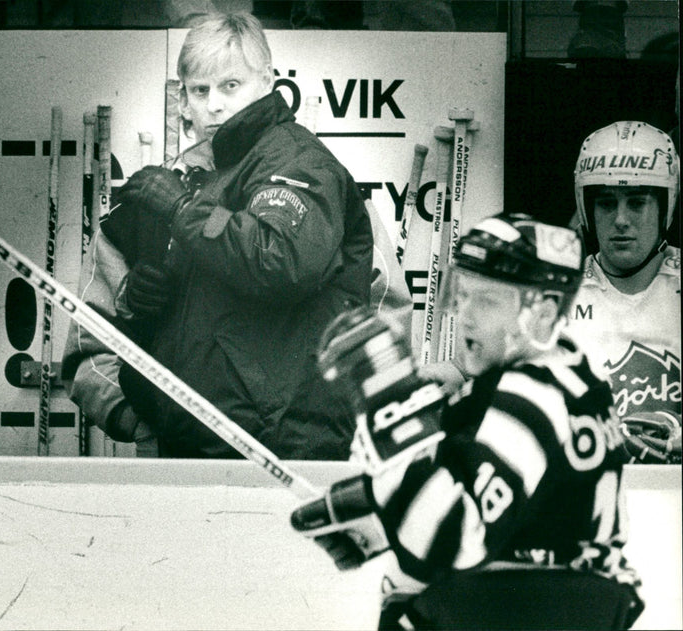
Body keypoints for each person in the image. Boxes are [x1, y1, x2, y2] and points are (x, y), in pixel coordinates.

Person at [291, 213, 644, 630]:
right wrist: (377, 512)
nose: (467, 315)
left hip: (534, 604)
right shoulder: (573, 374)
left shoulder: (533, 390)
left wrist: (392, 401)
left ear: (544, 314)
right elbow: (525, 504)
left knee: (406, 600)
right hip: (576, 600)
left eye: (488, 300)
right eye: (462, 295)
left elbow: (454, 540)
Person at [62, 12, 374, 459]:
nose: (215, 105)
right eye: (200, 90)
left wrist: (182, 210)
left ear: (267, 81)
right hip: (192, 452)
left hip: (286, 452)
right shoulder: (168, 187)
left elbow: (281, 261)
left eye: (232, 86)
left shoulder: (300, 162)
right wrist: (138, 320)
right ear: (182, 99)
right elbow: (92, 339)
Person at [567, 121, 681, 464]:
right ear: (587, 210)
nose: (620, 220)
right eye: (605, 203)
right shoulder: (556, 294)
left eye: (636, 203)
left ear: (664, 207)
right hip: (587, 498)